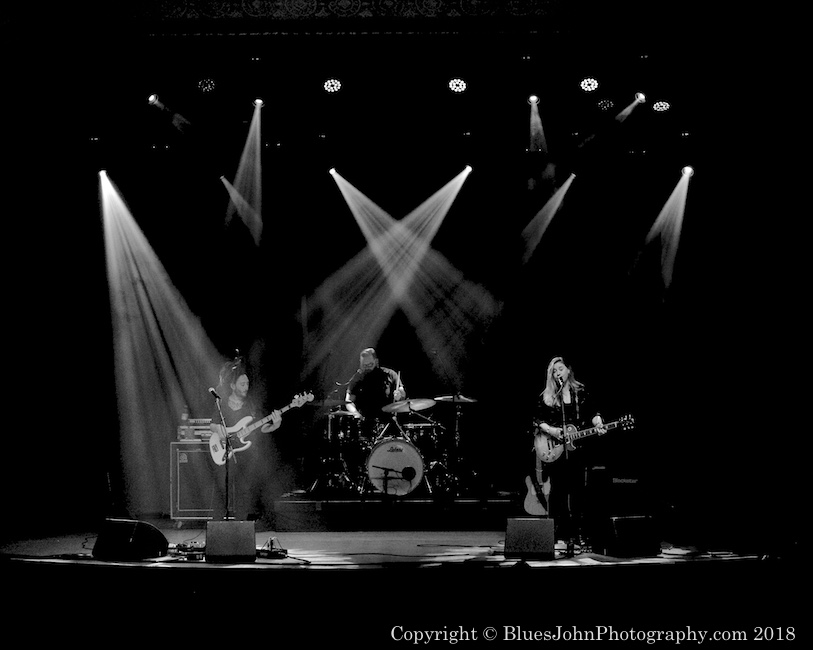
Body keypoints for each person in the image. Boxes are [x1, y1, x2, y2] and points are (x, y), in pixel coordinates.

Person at [529, 356, 605, 550]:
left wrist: (598, 423)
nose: (557, 373)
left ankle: (578, 534)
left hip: (577, 449)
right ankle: (557, 533)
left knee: (579, 490)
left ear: (568, 371)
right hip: (555, 449)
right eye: (554, 371)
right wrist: (552, 430)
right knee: (558, 492)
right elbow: (537, 420)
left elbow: (593, 413)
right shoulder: (546, 396)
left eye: (560, 369)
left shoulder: (581, 392)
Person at [209, 358, 282, 523]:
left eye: (247, 384)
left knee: (244, 490)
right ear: (233, 386)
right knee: (221, 490)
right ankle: (216, 525)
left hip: (247, 454)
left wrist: (275, 424)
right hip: (225, 451)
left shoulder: (252, 405)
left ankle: (240, 527)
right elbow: (213, 425)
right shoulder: (221, 403)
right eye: (242, 384)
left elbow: (262, 427)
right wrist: (219, 430)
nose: (246, 387)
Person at [344, 347, 406, 439]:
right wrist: (355, 413)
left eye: (370, 364)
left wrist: (400, 396)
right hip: (365, 423)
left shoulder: (390, 374)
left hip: (388, 424)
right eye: (364, 365)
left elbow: (402, 394)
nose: (367, 368)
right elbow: (348, 401)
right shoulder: (357, 378)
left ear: (376, 361)